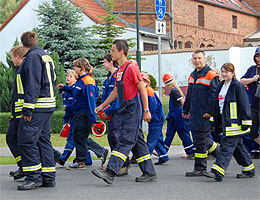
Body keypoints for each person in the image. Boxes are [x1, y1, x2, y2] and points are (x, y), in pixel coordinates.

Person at [92, 39, 157, 185]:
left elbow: (142, 89)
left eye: (113, 50)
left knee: (125, 140)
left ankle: (110, 172)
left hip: (133, 108)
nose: (111, 53)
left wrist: (146, 110)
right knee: (137, 142)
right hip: (125, 108)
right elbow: (116, 91)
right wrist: (102, 105)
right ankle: (149, 171)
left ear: (121, 52)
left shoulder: (131, 68)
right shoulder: (120, 70)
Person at [17, 31, 57, 190]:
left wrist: (27, 109)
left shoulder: (32, 58)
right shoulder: (45, 56)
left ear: (23, 44)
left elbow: (33, 84)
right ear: (36, 41)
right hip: (47, 106)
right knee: (43, 140)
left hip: (37, 106)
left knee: (26, 139)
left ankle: (34, 177)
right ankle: (48, 176)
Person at [203, 63, 255, 181]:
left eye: (227, 72)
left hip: (234, 123)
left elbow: (244, 104)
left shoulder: (237, 86)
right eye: (222, 71)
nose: (224, 74)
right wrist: (214, 121)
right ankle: (249, 169)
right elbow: (217, 105)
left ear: (233, 73)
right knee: (238, 147)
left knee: (227, 147)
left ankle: (218, 171)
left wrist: (246, 122)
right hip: (224, 122)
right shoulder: (221, 85)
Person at [57, 57, 108, 170]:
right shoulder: (81, 80)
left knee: (79, 137)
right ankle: (100, 152)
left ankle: (81, 161)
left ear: (81, 68)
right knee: (79, 137)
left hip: (83, 114)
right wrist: (65, 88)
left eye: (75, 66)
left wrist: (93, 118)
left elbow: (90, 101)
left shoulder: (88, 82)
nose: (74, 69)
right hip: (78, 113)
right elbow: (75, 91)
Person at [182, 50, 220, 177]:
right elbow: (189, 95)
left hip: (205, 114)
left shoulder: (211, 75)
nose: (197, 61)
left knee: (201, 141)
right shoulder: (192, 75)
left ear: (204, 59)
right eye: (195, 58)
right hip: (195, 113)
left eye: (199, 58)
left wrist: (210, 111)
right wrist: (185, 110)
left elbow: (213, 96)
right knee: (202, 139)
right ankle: (222, 156)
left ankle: (200, 168)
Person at [100, 53, 130, 175]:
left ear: (111, 62)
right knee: (112, 137)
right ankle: (115, 164)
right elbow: (107, 96)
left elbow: (117, 98)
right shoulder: (109, 77)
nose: (103, 64)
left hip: (117, 112)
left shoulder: (117, 76)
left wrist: (107, 110)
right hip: (112, 112)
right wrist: (102, 108)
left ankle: (124, 164)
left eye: (105, 61)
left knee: (116, 137)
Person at [56, 70, 92, 166]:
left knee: (73, 139)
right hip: (72, 118)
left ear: (76, 79)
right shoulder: (66, 90)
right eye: (67, 76)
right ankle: (89, 158)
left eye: (71, 76)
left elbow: (76, 104)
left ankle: (63, 158)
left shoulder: (78, 87)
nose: (68, 78)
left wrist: (67, 107)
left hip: (77, 116)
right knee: (81, 139)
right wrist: (65, 120)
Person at [6, 45, 28, 180]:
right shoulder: (21, 70)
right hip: (19, 113)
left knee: (12, 138)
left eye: (12, 58)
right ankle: (23, 166)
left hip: (20, 114)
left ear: (18, 57)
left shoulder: (21, 71)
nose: (12, 61)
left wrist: (18, 113)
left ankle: (24, 166)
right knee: (15, 139)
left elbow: (21, 95)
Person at [162, 73, 194, 160]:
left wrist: (185, 111)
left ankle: (191, 152)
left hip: (177, 116)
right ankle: (163, 152)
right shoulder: (175, 90)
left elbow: (182, 101)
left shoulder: (174, 91)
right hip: (173, 116)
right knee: (170, 133)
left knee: (182, 133)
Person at [140, 73, 169, 165]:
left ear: (147, 82)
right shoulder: (146, 90)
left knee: (151, 139)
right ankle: (163, 156)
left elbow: (152, 107)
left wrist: (146, 115)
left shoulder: (148, 91)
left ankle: (145, 159)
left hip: (156, 119)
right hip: (157, 119)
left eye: (143, 81)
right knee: (158, 139)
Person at [240, 47, 260, 145]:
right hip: (254, 105)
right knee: (252, 132)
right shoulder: (252, 69)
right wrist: (252, 79)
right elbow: (242, 80)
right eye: (257, 56)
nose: (258, 58)